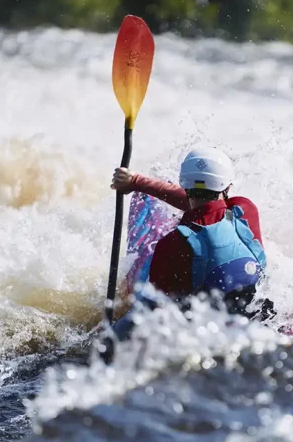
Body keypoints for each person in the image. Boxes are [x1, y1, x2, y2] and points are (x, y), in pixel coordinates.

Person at [108, 146, 274, 340]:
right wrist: (137, 182)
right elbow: (209, 208)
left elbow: (153, 311)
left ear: (184, 186)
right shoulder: (245, 210)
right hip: (261, 322)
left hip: (207, 336)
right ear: (227, 186)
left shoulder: (172, 244)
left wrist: (106, 336)